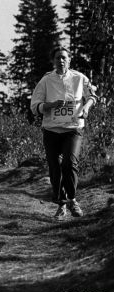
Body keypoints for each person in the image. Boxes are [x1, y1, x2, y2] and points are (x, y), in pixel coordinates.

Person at [30, 47, 96, 219]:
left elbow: (92, 96)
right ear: (53, 61)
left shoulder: (79, 78)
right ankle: (61, 205)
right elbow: (34, 106)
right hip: (51, 130)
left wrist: (87, 108)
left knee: (69, 163)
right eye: (58, 58)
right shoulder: (46, 81)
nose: (61, 61)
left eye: (64, 58)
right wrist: (50, 105)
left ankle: (73, 200)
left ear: (69, 60)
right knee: (55, 168)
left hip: (73, 128)